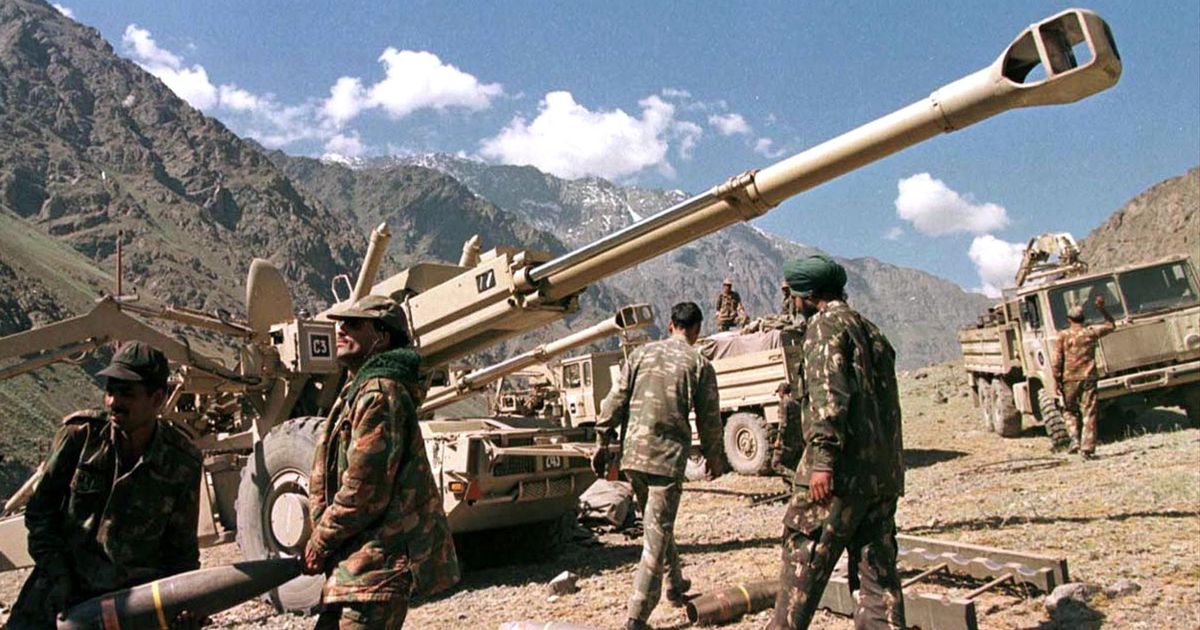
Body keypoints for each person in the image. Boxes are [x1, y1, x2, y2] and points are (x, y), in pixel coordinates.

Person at [8, 342, 203, 630]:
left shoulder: (182, 463)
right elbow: (40, 513)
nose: (113, 402)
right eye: (110, 391)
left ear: (157, 399)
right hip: (60, 589)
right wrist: (58, 573)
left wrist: (183, 606)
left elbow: (181, 551)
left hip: (131, 602)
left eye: (126, 393)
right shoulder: (80, 436)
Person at [302, 295, 459, 630]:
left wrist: (320, 540)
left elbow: (364, 489)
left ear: (382, 337)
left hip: (375, 569)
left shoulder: (379, 394)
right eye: (340, 324)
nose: (341, 330)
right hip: (358, 568)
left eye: (353, 324)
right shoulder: (363, 389)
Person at [768, 255, 906, 630]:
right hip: (880, 478)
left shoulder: (824, 327)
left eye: (793, 295)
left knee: (801, 577)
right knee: (878, 583)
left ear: (807, 295)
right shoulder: (871, 330)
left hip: (839, 479)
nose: (792, 302)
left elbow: (829, 398)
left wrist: (822, 464)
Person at [597, 302, 729, 630]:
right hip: (665, 461)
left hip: (633, 457)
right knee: (655, 535)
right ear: (696, 330)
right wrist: (715, 458)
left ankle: (674, 584)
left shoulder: (639, 354)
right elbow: (710, 420)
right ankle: (636, 616)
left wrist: (601, 438)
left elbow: (614, 401)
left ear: (671, 325)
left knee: (657, 524)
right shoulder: (699, 364)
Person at [1052, 294, 1116, 459]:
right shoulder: (1091, 332)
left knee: (1068, 410)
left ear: (1069, 319)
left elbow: (1056, 360)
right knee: (1089, 412)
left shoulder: (1062, 336)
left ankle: (1074, 439)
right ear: (1083, 318)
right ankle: (1087, 448)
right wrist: (1102, 308)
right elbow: (1111, 325)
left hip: (1069, 379)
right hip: (1089, 377)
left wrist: (1056, 380)